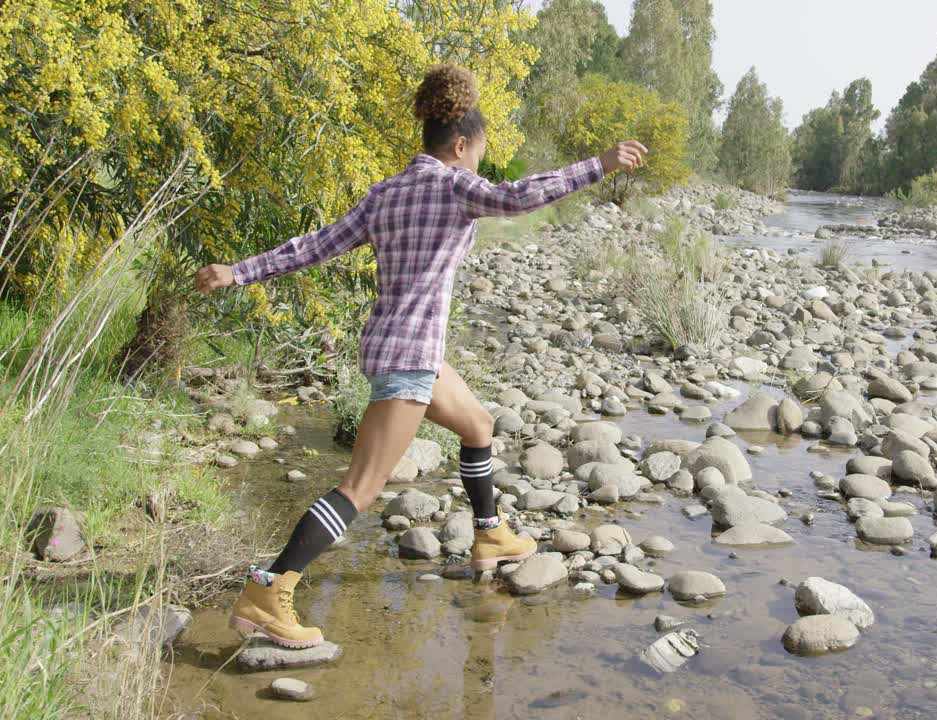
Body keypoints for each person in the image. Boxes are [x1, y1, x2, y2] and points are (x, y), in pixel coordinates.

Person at [193, 63, 647, 649]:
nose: (479, 165)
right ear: (460, 145)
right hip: (409, 360)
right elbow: (518, 197)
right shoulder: (454, 185)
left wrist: (240, 271)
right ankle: (267, 593)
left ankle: (490, 534)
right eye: (478, 154)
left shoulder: (384, 194)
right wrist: (599, 165)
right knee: (359, 487)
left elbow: (314, 246)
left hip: (401, 349)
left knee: (478, 424)